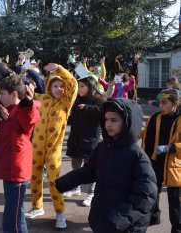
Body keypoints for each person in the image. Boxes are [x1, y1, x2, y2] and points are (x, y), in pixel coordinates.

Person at [55, 98, 157, 233]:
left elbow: (146, 196)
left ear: (127, 122)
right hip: (102, 219)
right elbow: (90, 170)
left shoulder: (137, 156)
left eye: (114, 120)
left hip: (124, 226)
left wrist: (120, 219)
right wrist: (67, 181)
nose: (108, 124)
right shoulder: (103, 147)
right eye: (106, 119)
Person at [0, 75, 40, 233]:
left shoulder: (22, 110)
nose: (0, 97)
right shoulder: (5, 110)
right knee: (15, 212)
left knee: (12, 216)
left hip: (17, 170)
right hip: (10, 168)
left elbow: (30, 119)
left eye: (2, 94)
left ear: (14, 94)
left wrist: (28, 103)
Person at [24, 63, 77, 229]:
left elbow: (73, 84)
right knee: (35, 177)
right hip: (37, 146)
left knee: (54, 181)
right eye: (55, 85)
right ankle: (37, 207)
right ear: (49, 86)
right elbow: (27, 96)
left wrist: (59, 69)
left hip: (54, 149)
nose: (59, 89)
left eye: (62, 86)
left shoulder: (65, 103)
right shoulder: (42, 99)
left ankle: (60, 213)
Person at [142, 89, 181, 232]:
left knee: (175, 200)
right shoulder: (154, 118)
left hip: (174, 165)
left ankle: (177, 228)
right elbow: (147, 137)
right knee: (152, 192)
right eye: (160, 103)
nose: (161, 106)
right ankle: (154, 216)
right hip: (155, 162)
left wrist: (170, 148)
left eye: (165, 103)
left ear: (175, 103)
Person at [63, 76, 104, 208]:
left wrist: (87, 107)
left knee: (91, 168)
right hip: (76, 139)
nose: (80, 89)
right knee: (75, 165)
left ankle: (91, 193)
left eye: (82, 86)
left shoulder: (99, 99)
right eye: (79, 86)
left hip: (91, 139)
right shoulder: (76, 99)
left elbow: (102, 113)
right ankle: (76, 188)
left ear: (90, 86)